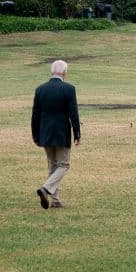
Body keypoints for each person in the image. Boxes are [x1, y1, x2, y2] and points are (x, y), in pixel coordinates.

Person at [31, 59, 81, 209]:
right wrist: (77, 132)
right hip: (61, 133)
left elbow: (35, 114)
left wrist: (35, 134)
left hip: (45, 133)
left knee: (53, 167)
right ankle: (46, 189)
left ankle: (56, 201)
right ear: (64, 73)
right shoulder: (69, 89)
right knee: (64, 165)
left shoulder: (40, 89)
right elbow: (74, 114)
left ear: (51, 72)